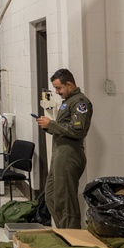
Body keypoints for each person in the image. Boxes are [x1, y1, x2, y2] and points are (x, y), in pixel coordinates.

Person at [36, 68, 92, 229]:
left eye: (59, 88)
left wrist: (52, 124)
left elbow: (78, 130)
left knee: (66, 200)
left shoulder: (81, 102)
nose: (57, 91)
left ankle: (72, 237)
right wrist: (48, 125)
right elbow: (64, 126)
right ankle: (63, 231)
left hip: (70, 154)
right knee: (52, 196)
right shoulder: (67, 101)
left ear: (69, 84)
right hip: (59, 152)